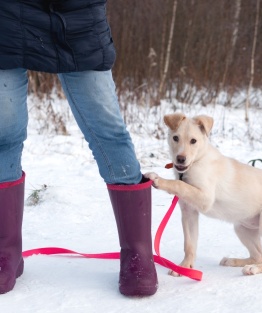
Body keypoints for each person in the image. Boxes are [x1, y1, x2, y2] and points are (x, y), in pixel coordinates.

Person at [0, 1, 158, 297]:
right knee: (3, 133)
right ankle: (4, 253)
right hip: (9, 15)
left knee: (108, 131)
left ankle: (138, 255)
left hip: (78, 17)